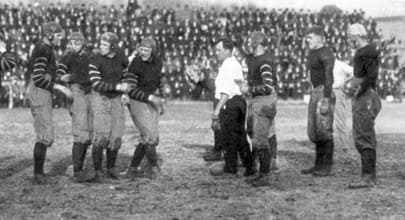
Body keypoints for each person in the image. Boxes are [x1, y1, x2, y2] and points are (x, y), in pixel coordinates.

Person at [25, 22, 72, 184]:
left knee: (46, 134)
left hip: (41, 91)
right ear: (50, 34)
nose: (60, 39)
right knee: (45, 134)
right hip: (39, 92)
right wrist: (59, 87)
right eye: (58, 36)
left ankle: (39, 173)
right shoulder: (43, 49)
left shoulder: (45, 48)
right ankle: (38, 175)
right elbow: (38, 78)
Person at [88, 32, 134, 182]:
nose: (101, 47)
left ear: (113, 46)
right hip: (100, 96)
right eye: (100, 44)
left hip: (116, 97)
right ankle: (97, 171)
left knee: (116, 135)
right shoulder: (95, 59)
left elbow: (127, 76)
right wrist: (120, 86)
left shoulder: (121, 58)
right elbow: (96, 83)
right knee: (102, 136)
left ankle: (111, 168)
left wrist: (126, 91)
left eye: (105, 45)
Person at [209, 38, 254, 177]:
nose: (216, 53)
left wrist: (217, 110)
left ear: (228, 50)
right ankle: (248, 166)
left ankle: (232, 167)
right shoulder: (231, 64)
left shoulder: (229, 65)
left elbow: (226, 91)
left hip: (231, 103)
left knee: (230, 137)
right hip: (237, 103)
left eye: (219, 50)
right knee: (239, 136)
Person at [239, 31, 278, 187]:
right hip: (258, 101)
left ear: (257, 42)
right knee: (256, 135)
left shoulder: (264, 61)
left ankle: (264, 175)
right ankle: (260, 171)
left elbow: (268, 86)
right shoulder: (256, 60)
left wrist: (249, 89)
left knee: (260, 139)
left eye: (251, 40)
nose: (248, 43)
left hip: (263, 102)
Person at [122, 37, 166, 180]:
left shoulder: (158, 62)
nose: (143, 53)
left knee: (151, 137)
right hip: (137, 100)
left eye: (146, 50)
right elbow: (131, 89)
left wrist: (162, 99)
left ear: (152, 51)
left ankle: (133, 169)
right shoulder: (135, 62)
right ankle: (154, 169)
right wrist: (150, 98)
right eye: (141, 49)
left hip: (151, 99)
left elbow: (160, 80)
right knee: (149, 136)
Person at [345, 23, 381, 189]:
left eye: (349, 36)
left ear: (357, 35)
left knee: (363, 135)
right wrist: (352, 82)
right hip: (367, 95)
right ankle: (369, 175)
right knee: (364, 134)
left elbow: (372, 75)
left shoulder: (365, 51)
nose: (348, 39)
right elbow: (365, 74)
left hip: (366, 97)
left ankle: (368, 177)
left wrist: (360, 88)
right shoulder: (366, 51)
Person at [56, 32, 93, 183]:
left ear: (83, 42)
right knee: (80, 132)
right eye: (73, 41)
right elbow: (59, 75)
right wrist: (70, 82)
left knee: (90, 134)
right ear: (70, 43)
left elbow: (91, 76)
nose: (75, 44)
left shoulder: (89, 56)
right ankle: (77, 171)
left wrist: (72, 76)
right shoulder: (66, 57)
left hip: (89, 93)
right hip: (76, 93)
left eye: (78, 41)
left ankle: (80, 168)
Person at [301, 26, 335, 177]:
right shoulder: (312, 53)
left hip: (324, 92)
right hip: (315, 92)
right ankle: (317, 165)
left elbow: (329, 78)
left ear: (320, 38)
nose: (307, 40)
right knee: (315, 131)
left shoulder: (326, 53)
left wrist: (326, 100)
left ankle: (326, 167)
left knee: (324, 130)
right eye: (306, 37)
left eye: (310, 37)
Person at [332, 58, 353, 153]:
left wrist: (345, 81)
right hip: (325, 92)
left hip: (337, 91)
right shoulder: (324, 64)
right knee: (323, 118)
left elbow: (354, 72)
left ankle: (345, 145)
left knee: (340, 118)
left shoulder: (340, 64)